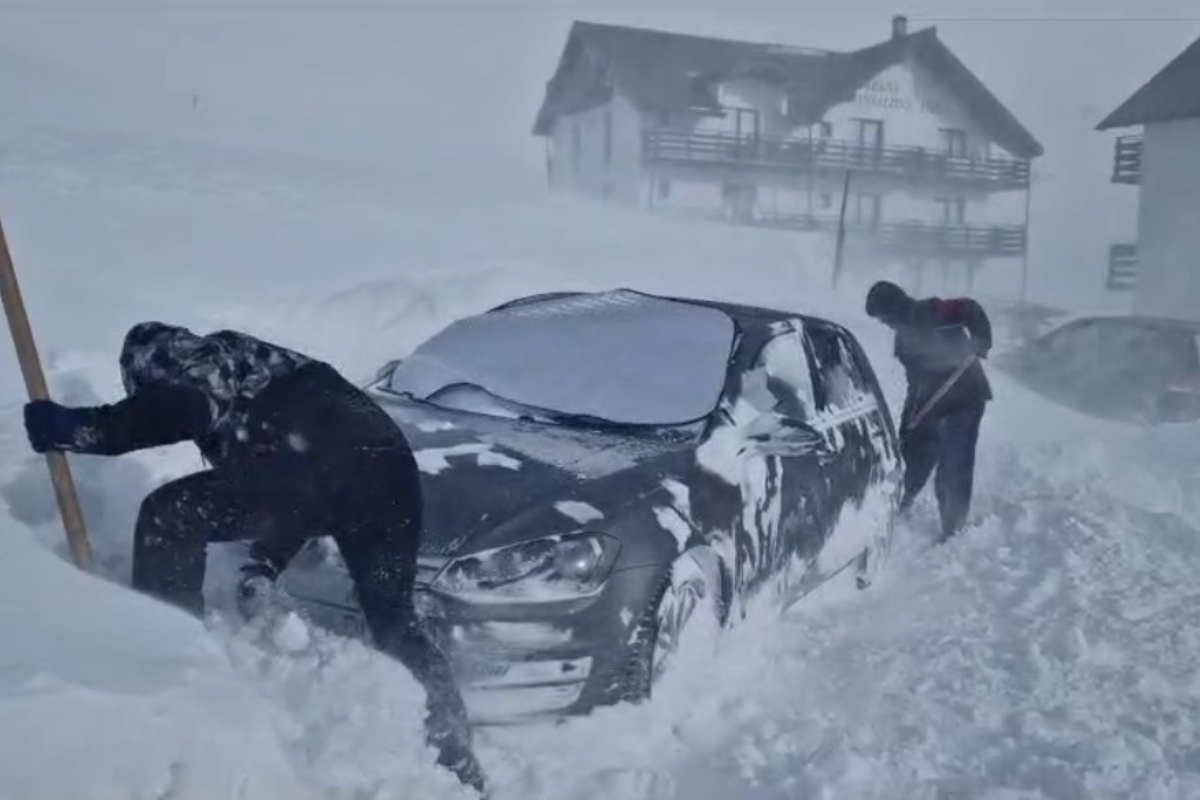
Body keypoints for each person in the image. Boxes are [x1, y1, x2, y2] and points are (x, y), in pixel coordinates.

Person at [22, 322, 487, 795]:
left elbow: (191, 412)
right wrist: (267, 561)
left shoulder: (206, 358)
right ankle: (456, 761)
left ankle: (168, 663)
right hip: (386, 473)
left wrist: (86, 429)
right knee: (394, 619)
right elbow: (311, 460)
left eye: (147, 394)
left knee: (169, 515)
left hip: (332, 470)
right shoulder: (261, 374)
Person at [865, 281, 992, 542]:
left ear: (893, 308)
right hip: (933, 402)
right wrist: (907, 424)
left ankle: (953, 528)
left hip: (966, 398)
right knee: (914, 454)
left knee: (954, 463)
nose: (885, 324)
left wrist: (981, 340)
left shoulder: (934, 312)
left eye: (884, 318)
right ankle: (898, 505)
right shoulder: (903, 341)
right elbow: (915, 385)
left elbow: (971, 308)